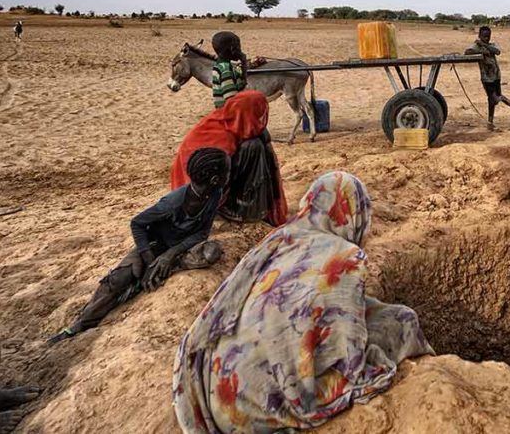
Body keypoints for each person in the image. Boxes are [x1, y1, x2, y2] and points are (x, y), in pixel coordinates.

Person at [173, 171, 433, 433]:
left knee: (375, 312)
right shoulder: (344, 257)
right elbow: (348, 353)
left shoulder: (280, 237)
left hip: (214, 391)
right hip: (257, 410)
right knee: (402, 322)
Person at [48, 148, 230, 344]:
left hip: (180, 248)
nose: (229, 175)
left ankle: (163, 269)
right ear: (213, 180)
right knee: (118, 280)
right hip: (154, 246)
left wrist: (169, 256)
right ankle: (81, 323)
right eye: (227, 172)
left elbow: (202, 233)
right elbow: (137, 223)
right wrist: (151, 259)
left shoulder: (214, 194)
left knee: (212, 251)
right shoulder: (172, 203)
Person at [171, 90, 288, 226]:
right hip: (198, 197)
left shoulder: (230, 121)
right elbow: (205, 183)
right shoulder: (218, 138)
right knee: (253, 146)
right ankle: (238, 208)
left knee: (259, 141)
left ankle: (248, 206)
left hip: (212, 186)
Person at [465, 26, 510, 130]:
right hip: (486, 77)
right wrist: (481, 51)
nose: (487, 38)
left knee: (492, 101)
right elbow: (467, 52)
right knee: (493, 98)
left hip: (496, 75)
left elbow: (497, 51)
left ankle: (490, 122)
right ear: (479, 36)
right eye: (484, 36)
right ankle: (502, 99)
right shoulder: (476, 46)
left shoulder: (491, 45)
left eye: (488, 36)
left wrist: (484, 45)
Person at [210, 31, 248, 109]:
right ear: (232, 49)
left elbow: (242, 84)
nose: (240, 50)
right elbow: (231, 100)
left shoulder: (220, 66)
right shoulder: (226, 70)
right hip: (229, 115)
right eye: (238, 47)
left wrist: (243, 65)